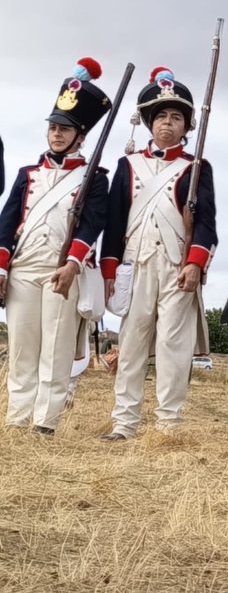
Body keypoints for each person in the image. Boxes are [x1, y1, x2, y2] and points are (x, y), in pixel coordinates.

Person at [100, 66, 217, 440]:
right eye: (162, 116)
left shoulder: (197, 168)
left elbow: (206, 223)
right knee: (132, 343)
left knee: (173, 346)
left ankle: (169, 424)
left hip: (176, 265)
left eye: (177, 117)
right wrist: (109, 269)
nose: (168, 124)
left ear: (186, 125)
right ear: (150, 123)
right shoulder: (127, 165)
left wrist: (195, 263)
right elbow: (115, 222)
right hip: (135, 264)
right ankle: (125, 423)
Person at [0, 58, 111, 434]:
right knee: (22, 350)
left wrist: (73, 264)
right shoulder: (26, 174)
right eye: (54, 127)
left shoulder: (94, 178)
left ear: (81, 135)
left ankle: (44, 422)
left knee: (55, 350)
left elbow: (93, 223)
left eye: (66, 128)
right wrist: (2, 267)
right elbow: (6, 223)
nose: (57, 134)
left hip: (63, 270)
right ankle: (17, 418)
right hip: (24, 269)